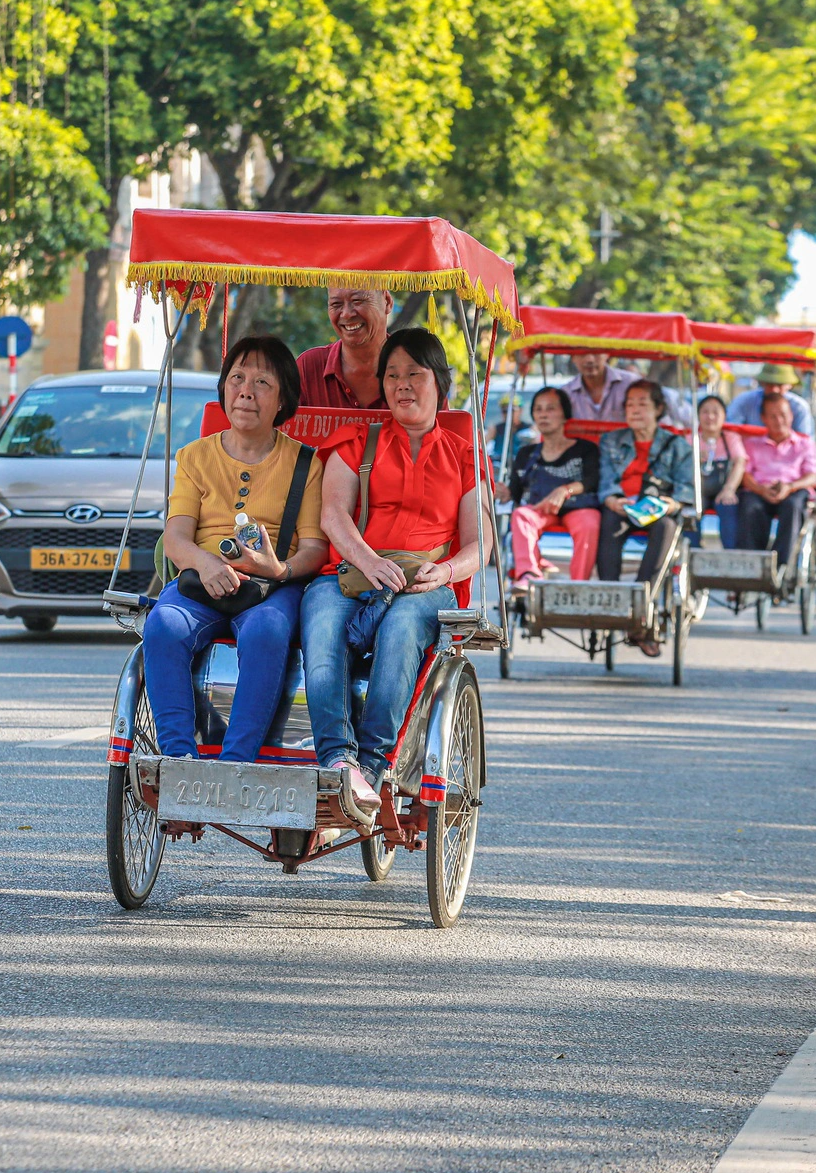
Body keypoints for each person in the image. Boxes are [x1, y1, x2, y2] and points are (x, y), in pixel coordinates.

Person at [301, 327, 486, 821]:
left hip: (426, 582)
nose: (402, 384)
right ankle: (338, 759)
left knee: (404, 627)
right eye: (392, 375)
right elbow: (333, 515)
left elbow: (478, 545)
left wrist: (443, 571)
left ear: (439, 382)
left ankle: (373, 763)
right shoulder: (357, 439)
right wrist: (369, 561)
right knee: (321, 628)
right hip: (349, 572)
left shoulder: (464, 455)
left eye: (414, 374)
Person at [147, 336, 328, 762]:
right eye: (237, 379)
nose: (246, 391)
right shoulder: (194, 457)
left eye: (262, 382)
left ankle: (236, 761)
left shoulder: (306, 463)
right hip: (199, 581)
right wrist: (206, 563)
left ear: (283, 399)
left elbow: (316, 548)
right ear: (224, 389)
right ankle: (177, 757)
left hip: (270, 588)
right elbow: (175, 538)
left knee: (267, 632)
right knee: (162, 626)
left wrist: (277, 568)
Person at [501, 387, 601, 585]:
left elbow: (592, 481)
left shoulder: (585, 449)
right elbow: (515, 492)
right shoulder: (526, 453)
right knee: (521, 515)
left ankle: (579, 584)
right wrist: (501, 492)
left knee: (590, 522)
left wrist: (564, 490)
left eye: (550, 409)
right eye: (538, 410)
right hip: (541, 509)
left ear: (565, 415)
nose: (543, 415)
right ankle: (528, 574)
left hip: (578, 508)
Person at [597, 377, 694, 578]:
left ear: (658, 409)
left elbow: (687, 487)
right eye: (630, 404)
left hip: (656, 508)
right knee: (609, 520)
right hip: (622, 505)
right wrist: (611, 499)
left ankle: (643, 594)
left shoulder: (678, 446)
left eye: (642, 404)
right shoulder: (611, 441)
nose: (635, 410)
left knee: (666, 526)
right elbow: (605, 478)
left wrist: (672, 505)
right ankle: (610, 592)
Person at [737, 389, 816, 569]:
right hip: (759, 490)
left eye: (783, 415)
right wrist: (761, 489)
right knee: (750, 506)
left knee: (793, 507)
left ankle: (781, 566)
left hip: (793, 491)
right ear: (763, 418)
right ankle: (753, 564)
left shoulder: (806, 444)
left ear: (791, 416)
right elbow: (744, 474)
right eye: (773, 416)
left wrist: (790, 486)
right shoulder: (752, 443)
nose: (779, 421)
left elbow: (813, 476)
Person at [296, 285, 392, 408]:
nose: (346, 314)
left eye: (357, 301)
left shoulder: (414, 369)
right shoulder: (309, 368)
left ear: (387, 301)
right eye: (336, 304)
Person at [696, 394, 746, 548]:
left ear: (724, 416)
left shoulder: (730, 438)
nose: (710, 417)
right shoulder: (691, 439)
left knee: (728, 506)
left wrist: (729, 489)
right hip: (698, 490)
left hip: (723, 488)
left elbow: (740, 462)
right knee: (691, 509)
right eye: (705, 412)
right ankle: (691, 552)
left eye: (715, 412)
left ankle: (731, 554)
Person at [726, 363, 816, 436]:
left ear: (790, 385)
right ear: (762, 383)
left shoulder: (799, 407)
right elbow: (730, 432)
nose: (774, 389)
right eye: (770, 384)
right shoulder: (744, 402)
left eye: (779, 385)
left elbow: (806, 441)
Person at [561, 352, 645, 423]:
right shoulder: (566, 394)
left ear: (606, 354)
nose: (590, 359)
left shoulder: (631, 383)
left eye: (596, 352)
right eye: (582, 353)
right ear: (573, 357)